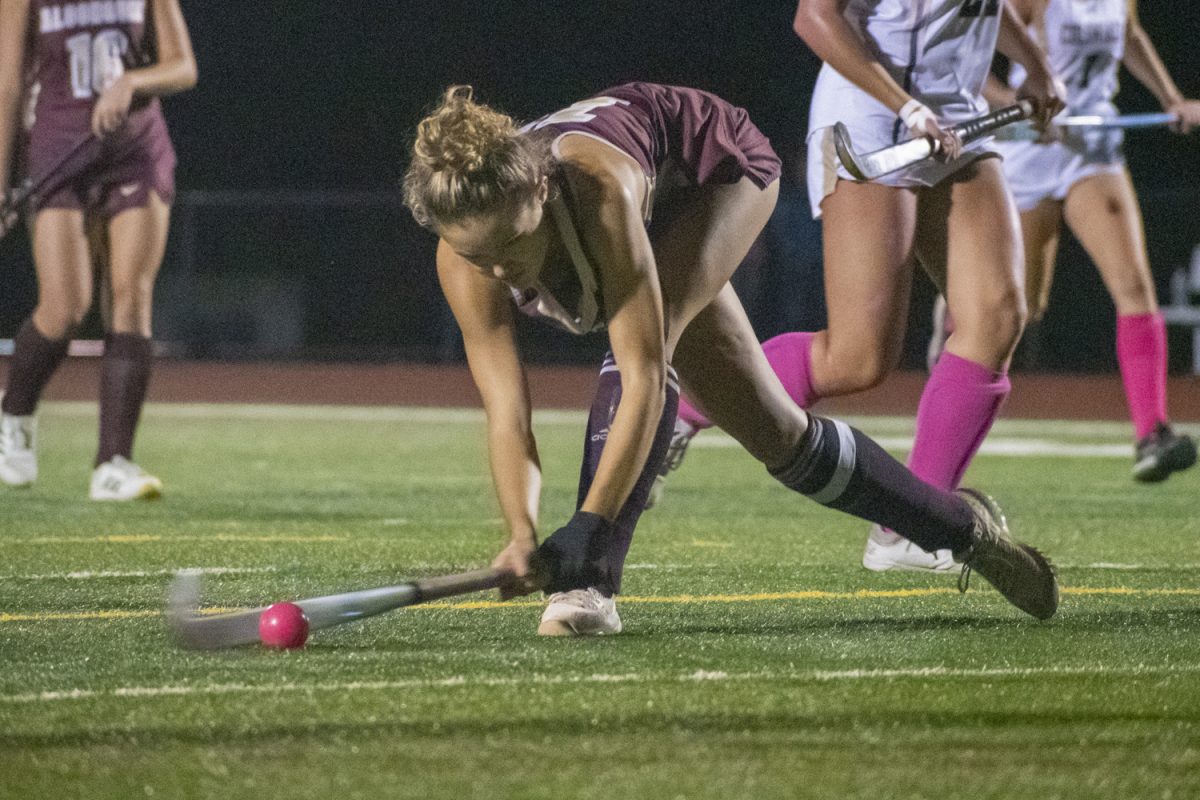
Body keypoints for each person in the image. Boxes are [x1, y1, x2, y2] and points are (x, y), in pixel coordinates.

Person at [402, 82, 1059, 636]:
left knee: (650, 349)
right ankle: (961, 530)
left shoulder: (600, 194)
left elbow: (643, 375)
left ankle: (590, 584)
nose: (498, 271)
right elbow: (508, 416)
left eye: (511, 247)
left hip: (719, 172)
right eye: (474, 254)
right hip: (656, 197)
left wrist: (585, 529)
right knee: (781, 437)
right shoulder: (466, 263)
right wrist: (520, 532)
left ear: (541, 192)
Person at [655, 0, 1065, 575]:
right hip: (873, 121)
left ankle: (910, 529)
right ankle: (688, 406)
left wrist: (1037, 67)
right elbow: (815, 18)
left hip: (958, 121)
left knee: (997, 316)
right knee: (857, 358)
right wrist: (908, 105)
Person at [977, 0, 1198, 482]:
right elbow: (968, 56)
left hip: (1093, 150)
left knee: (1135, 288)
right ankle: (954, 316)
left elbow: (1131, 35)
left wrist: (1171, 98)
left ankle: (1151, 433)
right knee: (1022, 308)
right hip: (1030, 153)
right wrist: (1014, 107)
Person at [0, 0, 197, 499]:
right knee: (65, 308)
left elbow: (183, 66)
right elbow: (7, 83)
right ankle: (15, 414)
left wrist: (134, 82)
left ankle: (113, 463)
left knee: (132, 295)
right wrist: (1, 181)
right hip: (58, 147)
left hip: (134, 149)